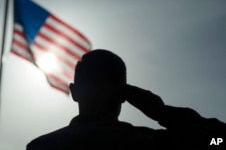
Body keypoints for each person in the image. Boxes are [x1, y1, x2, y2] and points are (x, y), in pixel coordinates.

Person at [27, 49, 226, 150]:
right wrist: (163, 113)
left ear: (75, 92)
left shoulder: (40, 147)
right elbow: (218, 140)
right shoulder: (151, 143)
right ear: (124, 95)